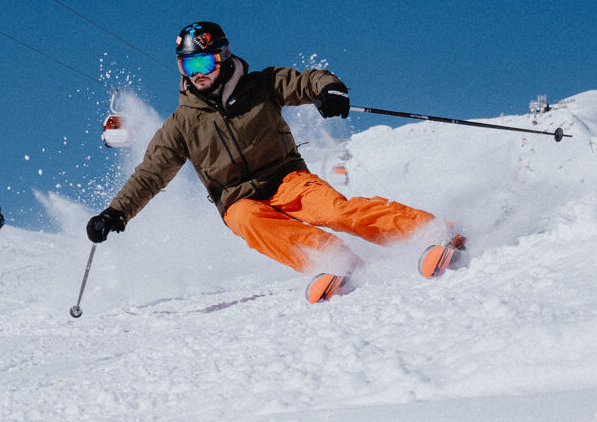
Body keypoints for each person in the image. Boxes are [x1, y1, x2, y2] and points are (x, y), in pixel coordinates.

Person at [86, 22, 466, 303]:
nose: (199, 74)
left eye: (205, 62)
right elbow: (151, 174)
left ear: (223, 57)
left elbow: (306, 81)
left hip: (286, 178)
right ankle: (334, 262)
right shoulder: (182, 124)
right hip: (239, 200)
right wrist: (115, 213)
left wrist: (328, 89)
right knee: (245, 220)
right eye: (189, 66)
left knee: (334, 211)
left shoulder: (262, 85)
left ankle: (430, 232)